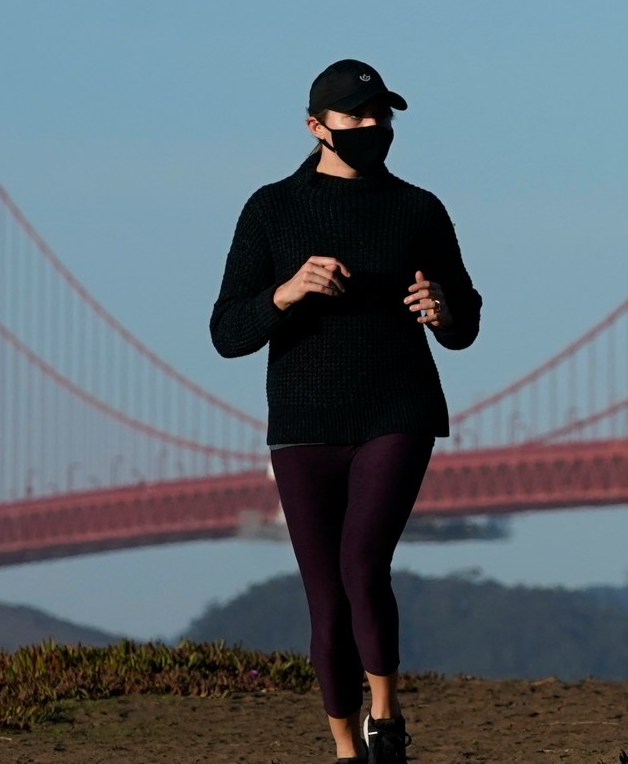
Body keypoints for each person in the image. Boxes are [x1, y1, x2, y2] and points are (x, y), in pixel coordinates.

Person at [210, 59, 483, 764]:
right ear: (315, 126)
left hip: (399, 410)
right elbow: (226, 333)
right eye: (356, 119)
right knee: (325, 598)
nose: (372, 130)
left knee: (363, 564)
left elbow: (465, 321)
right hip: (303, 424)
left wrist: (445, 312)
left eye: (381, 119)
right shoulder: (271, 210)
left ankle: (386, 718)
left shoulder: (418, 209)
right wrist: (287, 291)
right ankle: (344, 748)